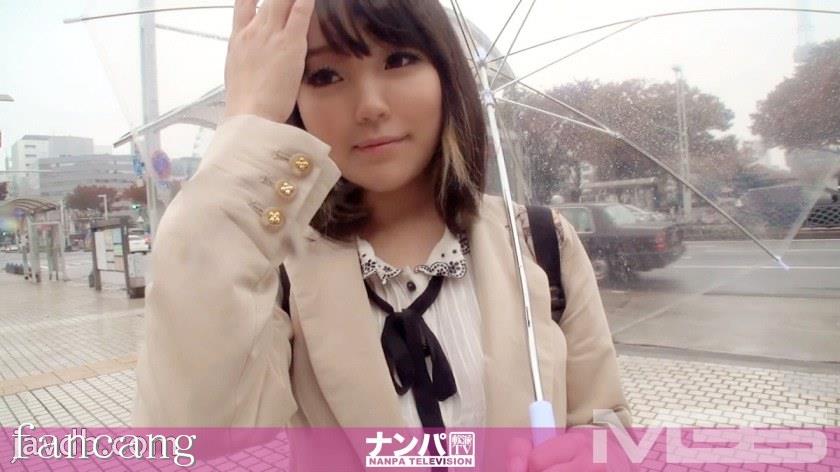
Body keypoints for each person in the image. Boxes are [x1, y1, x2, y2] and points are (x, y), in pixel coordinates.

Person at [133, 0, 631, 468]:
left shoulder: (540, 243)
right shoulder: (277, 273)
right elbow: (192, 426)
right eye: (325, 75)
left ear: (445, 73)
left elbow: (607, 422)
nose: (369, 106)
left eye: (399, 59)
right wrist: (248, 121)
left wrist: (597, 454)